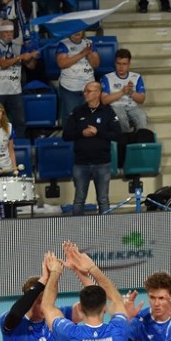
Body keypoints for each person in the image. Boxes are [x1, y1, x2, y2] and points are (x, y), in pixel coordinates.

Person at [63, 81, 122, 216]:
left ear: (98, 93)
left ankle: (105, 226)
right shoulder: (78, 111)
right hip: (81, 163)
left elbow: (117, 135)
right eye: (85, 91)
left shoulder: (108, 112)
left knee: (103, 199)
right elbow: (66, 135)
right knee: (79, 200)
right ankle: (77, 226)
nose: (85, 94)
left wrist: (98, 132)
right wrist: (81, 133)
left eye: (89, 91)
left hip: (102, 163)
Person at [0, 20, 37, 138]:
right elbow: (3, 64)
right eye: (6, 32)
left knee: (20, 122)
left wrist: (33, 56)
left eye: (11, 32)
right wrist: (20, 57)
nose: (9, 34)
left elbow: (31, 66)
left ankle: (18, 145)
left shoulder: (18, 46)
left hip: (15, 91)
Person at [56, 30, 100, 127]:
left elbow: (96, 64)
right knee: (71, 116)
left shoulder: (89, 43)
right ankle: (69, 136)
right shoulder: (64, 44)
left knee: (88, 115)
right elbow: (62, 63)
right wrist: (82, 54)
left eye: (79, 29)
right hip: (69, 88)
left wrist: (89, 53)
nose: (77, 32)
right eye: (74, 30)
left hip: (88, 87)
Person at [100, 49, 149, 133]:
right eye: (118, 63)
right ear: (115, 63)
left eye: (124, 64)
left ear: (129, 64)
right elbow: (104, 100)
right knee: (121, 117)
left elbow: (142, 100)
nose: (121, 67)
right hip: (115, 106)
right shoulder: (107, 78)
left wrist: (131, 92)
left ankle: (141, 138)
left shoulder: (136, 77)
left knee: (142, 116)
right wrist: (122, 92)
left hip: (132, 106)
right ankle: (127, 137)